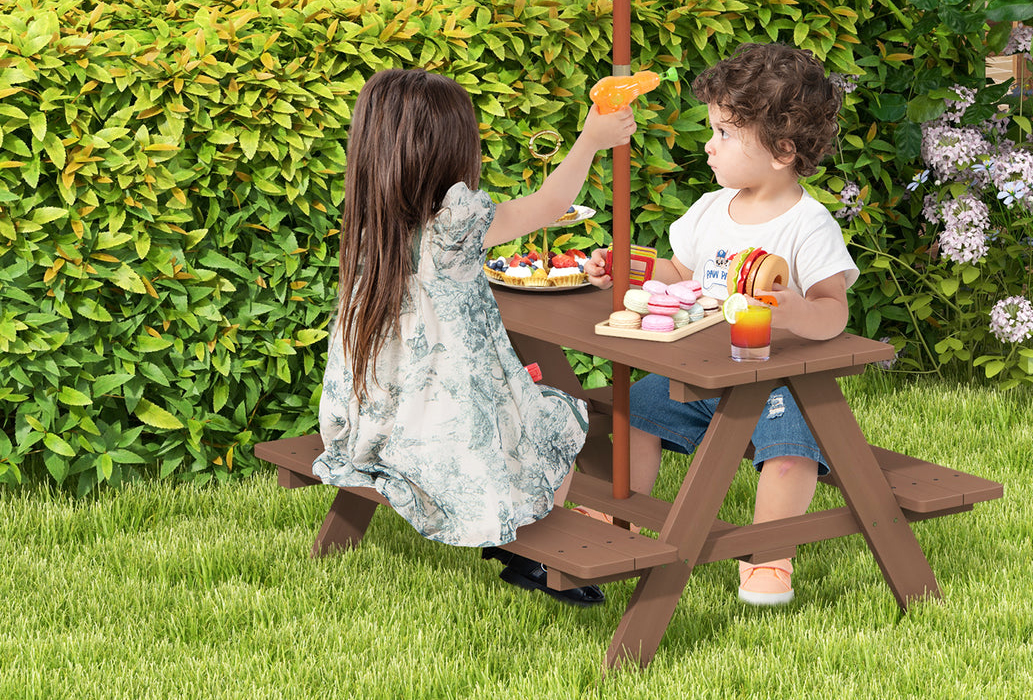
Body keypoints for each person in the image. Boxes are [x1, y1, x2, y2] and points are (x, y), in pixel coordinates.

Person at [314, 67, 635, 607]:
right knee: (555, 416)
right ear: (448, 150)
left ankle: (523, 541)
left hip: (367, 426)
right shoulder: (455, 225)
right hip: (440, 436)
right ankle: (534, 552)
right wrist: (590, 138)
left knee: (524, 401)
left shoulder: (373, 229)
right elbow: (550, 204)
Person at [584, 43, 857, 607]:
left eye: (725, 134)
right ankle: (625, 513)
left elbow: (835, 308)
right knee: (636, 413)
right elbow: (679, 273)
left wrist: (798, 310)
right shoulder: (711, 208)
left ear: (781, 150)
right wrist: (624, 266)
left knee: (790, 450)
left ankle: (770, 553)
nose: (708, 145)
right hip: (700, 371)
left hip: (777, 379)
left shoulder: (808, 225)